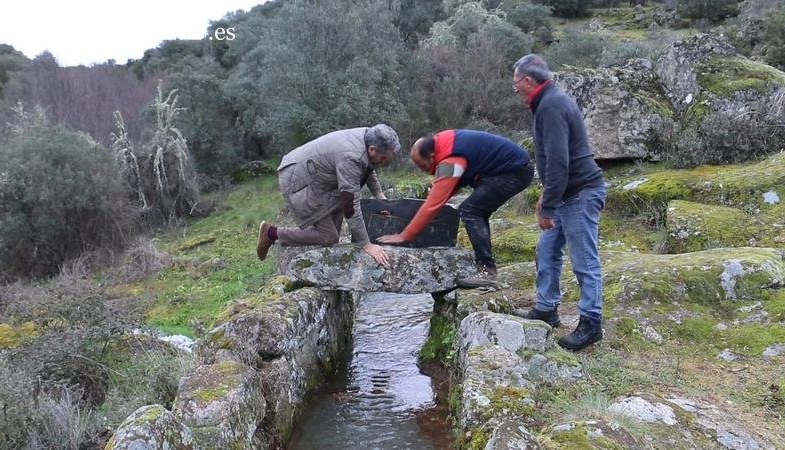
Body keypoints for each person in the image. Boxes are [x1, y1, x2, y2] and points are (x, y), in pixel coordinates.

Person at [512, 54, 607, 352]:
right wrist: (547, 195)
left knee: (584, 260)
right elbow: (555, 161)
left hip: (579, 193)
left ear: (529, 81)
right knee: (547, 248)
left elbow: (559, 161)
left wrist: (549, 206)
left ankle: (591, 323)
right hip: (566, 191)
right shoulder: (546, 103)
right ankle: (547, 308)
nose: (514, 88)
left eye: (516, 82)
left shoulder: (551, 106)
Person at [377, 129, 534, 287]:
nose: (422, 170)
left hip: (514, 172)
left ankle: (487, 270)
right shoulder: (444, 144)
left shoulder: (451, 159)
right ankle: (485, 265)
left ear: (432, 157)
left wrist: (405, 235)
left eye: (422, 165)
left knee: (470, 210)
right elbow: (447, 192)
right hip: (510, 170)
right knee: (477, 210)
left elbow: (433, 204)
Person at [256, 124, 400, 267]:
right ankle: (271, 233)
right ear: (372, 149)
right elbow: (351, 206)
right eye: (383, 157)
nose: (384, 161)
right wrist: (367, 245)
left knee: (333, 235)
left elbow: (368, 167)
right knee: (329, 237)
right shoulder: (352, 157)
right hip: (300, 181)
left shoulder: (367, 138)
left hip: (319, 179)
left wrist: (380, 196)